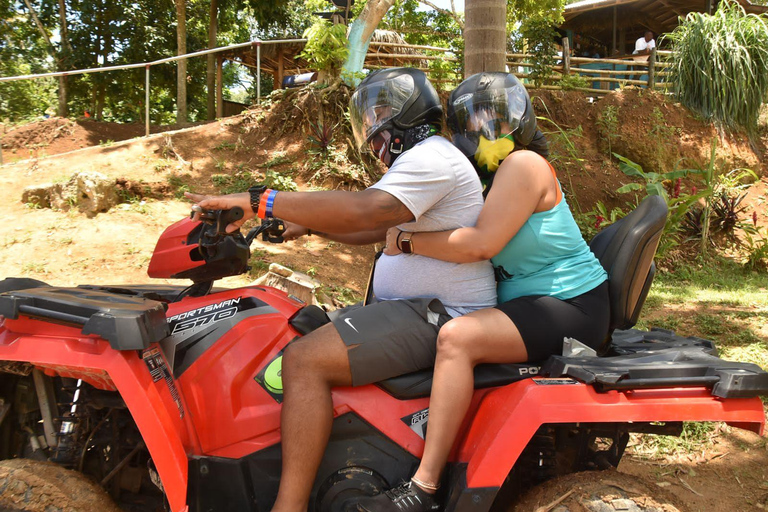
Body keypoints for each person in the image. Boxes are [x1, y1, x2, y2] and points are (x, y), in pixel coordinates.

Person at [186, 67, 497, 512]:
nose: (372, 127)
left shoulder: (432, 157)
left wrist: (260, 200)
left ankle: (287, 506)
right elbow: (373, 227)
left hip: (440, 315)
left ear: (407, 113)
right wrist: (307, 224)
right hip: (417, 310)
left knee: (304, 360)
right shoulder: (421, 161)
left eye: (380, 113)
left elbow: (368, 211)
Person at [356, 72, 610, 512]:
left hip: (570, 304)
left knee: (458, 338)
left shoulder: (523, 165)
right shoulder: (487, 181)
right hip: (530, 305)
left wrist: (406, 243)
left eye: (498, 117)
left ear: (521, 117)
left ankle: (425, 485)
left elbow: (479, 246)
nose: (487, 130)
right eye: (474, 121)